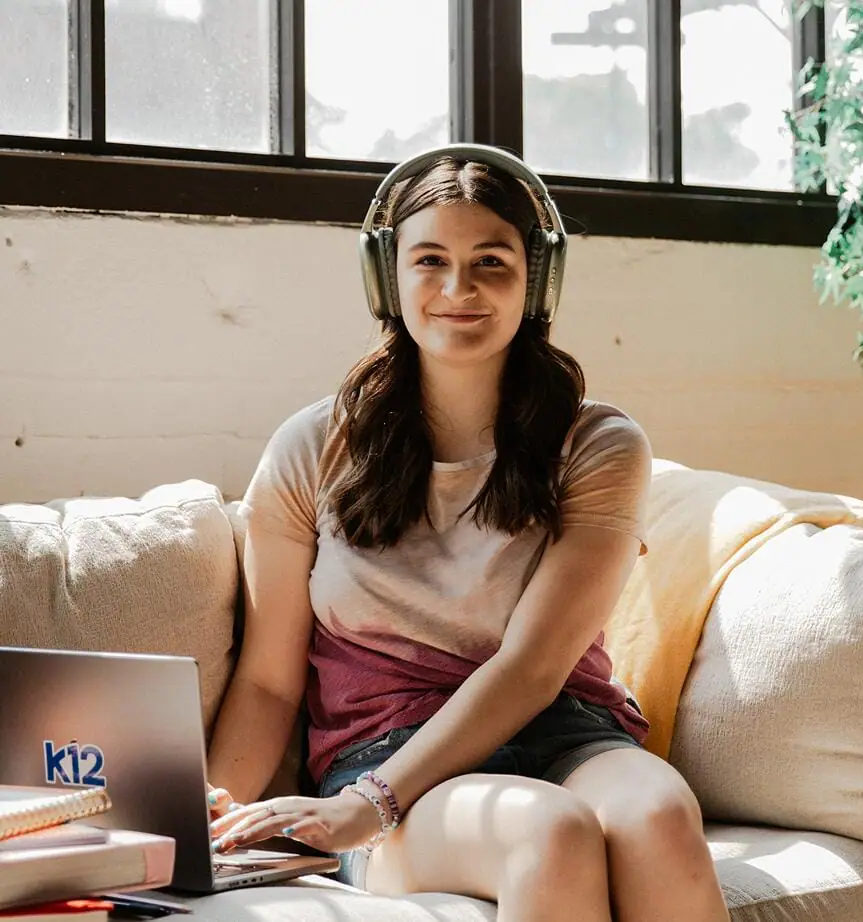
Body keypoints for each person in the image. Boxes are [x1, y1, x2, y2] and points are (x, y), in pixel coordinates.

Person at [207, 144, 729, 922]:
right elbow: (268, 683)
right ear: (387, 276)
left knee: (656, 816)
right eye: (430, 260)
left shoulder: (598, 445)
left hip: (563, 733)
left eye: (492, 261)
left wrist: (372, 805)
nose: (460, 288)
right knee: (546, 833)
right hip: (383, 752)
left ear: (537, 279)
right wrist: (196, 823)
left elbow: (530, 669)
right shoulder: (311, 448)